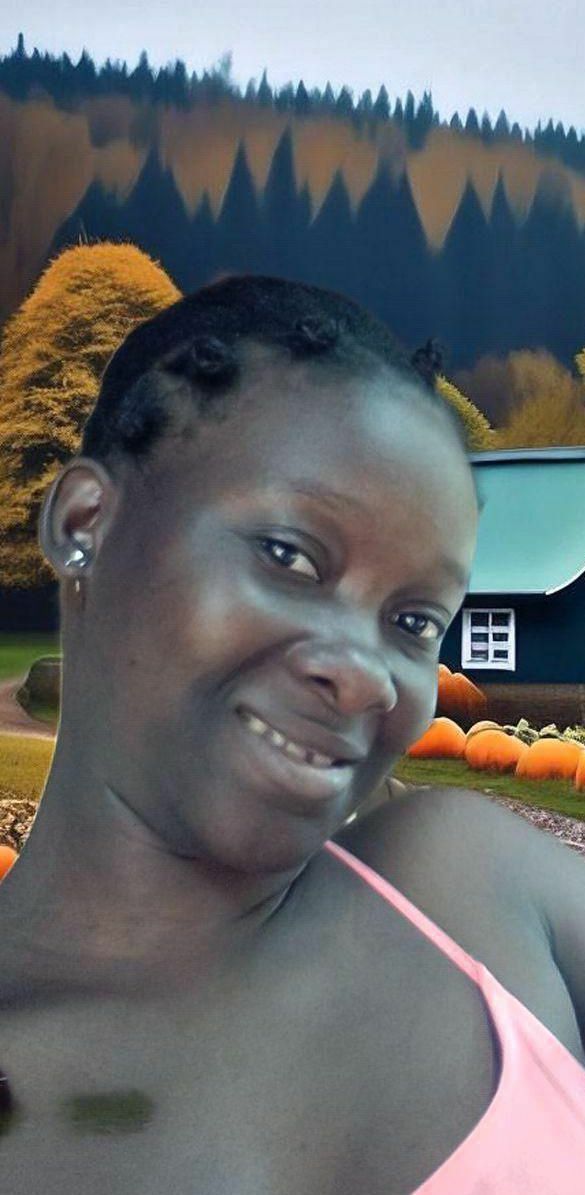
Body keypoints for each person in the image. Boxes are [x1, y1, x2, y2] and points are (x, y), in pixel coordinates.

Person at [0, 275, 584, 1194]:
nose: (365, 672)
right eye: (289, 556)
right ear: (86, 525)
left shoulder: (474, 891)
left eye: (414, 622)